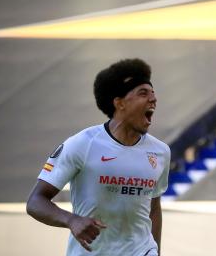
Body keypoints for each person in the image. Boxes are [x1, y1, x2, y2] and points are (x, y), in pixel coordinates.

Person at [26, 58, 171, 255]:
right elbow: (35, 201)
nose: (153, 99)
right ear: (119, 103)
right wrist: (72, 220)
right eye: (143, 93)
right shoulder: (82, 144)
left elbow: (153, 208)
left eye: (153, 93)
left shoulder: (161, 152)